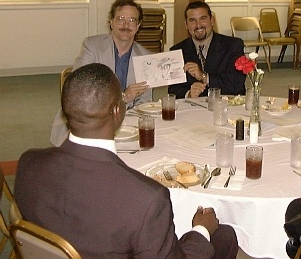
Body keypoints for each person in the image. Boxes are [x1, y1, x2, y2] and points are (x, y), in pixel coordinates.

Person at [14, 63, 239, 259]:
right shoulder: (146, 197)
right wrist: (200, 230)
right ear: (118, 111)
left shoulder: (28, 163)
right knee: (223, 236)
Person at [50, 0, 151, 147]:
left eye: (132, 20)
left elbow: (145, 101)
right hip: (87, 121)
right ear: (111, 22)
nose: (126, 25)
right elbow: (81, 92)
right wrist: (123, 97)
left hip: (128, 123)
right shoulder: (92, 46)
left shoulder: (146, 56)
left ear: (138, 26)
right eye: (121, 18)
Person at [168, 1, 246, 99]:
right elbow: (173, 90)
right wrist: (189, 94)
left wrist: (204, 76)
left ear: (212, 20)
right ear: (186, 25)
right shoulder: (177, 51)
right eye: (192, 20)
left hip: (227, 106)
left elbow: (235, 84)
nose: (198, 25)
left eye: (203, 19)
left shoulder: (233, 45)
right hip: (193, 109)